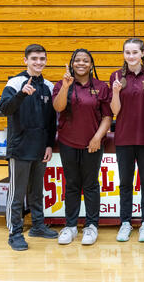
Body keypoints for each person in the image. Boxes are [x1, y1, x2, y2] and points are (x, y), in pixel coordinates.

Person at [0, 44, 58, 251]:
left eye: (42, 58)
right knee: (17, 193)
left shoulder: (49, 86)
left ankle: (38, 226)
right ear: (25, 60)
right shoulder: (15, 82)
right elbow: (5, 109)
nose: (39, 62)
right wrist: (21, 94)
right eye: (34, 58)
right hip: (20, 148)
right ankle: (14, 233)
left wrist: (49, 144)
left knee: (36, 192)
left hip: (40, 148)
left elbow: (52, 121)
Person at [52, 48, 112, 246]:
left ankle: (91, 225)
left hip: (92, 144)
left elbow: (107, 116)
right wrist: (65, 87)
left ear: (91, 64)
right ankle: (70, 226)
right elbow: (58, 108)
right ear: (71, 63)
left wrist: (97, 137)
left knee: (91, 184)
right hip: (68, 142)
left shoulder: (101, 87)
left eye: (85, 60)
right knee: (72, 184)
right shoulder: (62, 84)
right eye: (77, 60)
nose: (81, 63)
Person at [110, 38, 144, 243]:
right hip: (124, 139)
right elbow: (114, 111)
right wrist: (115, 92)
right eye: (127, 52)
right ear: (124, 54)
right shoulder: (116, 77)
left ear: (142, 53)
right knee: (125, 184)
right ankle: (125, 223)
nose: (131, 56)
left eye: (134, 52)